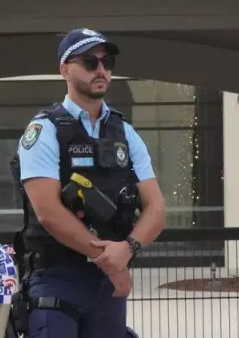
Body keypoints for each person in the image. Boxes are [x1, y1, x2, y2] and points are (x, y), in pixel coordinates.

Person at [10, 28, 166, 338]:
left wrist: (128, 249)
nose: (101, 70)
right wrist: (111, 263)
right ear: (65, 70)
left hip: (106, 286)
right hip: (56, 278)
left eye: (107, 62)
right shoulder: (44, 130)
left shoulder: (125, 132)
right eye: (89, 62)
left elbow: (157, 208)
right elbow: (48, 213)